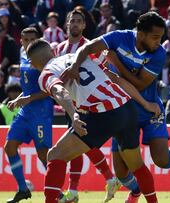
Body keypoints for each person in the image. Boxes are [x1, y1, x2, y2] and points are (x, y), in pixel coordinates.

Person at [62, 11, 170, 203]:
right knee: (121, 173)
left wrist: (116, 62)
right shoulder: (119, 37)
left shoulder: (159, 53)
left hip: (149, 109)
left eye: (160, 37)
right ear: (141, 33)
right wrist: (75, 66)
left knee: (161, 160)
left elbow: (139, 84)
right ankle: (136, 191)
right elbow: (86, 48)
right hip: (121, 110)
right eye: (155, 37)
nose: (158, 42)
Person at [26, 39, 161, 203]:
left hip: (103, 113)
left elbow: (59, 91)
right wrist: (145, 103)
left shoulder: (46, 74)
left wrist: (73, 114)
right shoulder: (77, 56)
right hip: (127, 107)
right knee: (137, 166)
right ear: (52, 51)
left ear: (32, 64)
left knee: (55, 155)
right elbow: (115, 78)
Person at [55, 10, 121, 203]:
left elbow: (104, 70)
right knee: (81, 143)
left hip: (89, 103)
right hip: (70, 102)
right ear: (67, 25)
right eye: (71, 21)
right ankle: (108, 178)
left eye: (78, 21)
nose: (74, 24)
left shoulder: (92, 47)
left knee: (79, 142)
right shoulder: (59, 48)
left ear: (84, 26)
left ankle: (75, 190)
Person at [4, 27, 54, 203]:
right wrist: (18, 99)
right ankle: (22, 189)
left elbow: (51, 88)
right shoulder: (22, 54)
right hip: (26, 111)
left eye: (32, 39)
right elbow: (28, 86)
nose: (28, 43)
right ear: (21, 41)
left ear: (38, 40)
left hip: (41, 112)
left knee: (43, 156)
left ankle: (58, 194)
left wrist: (27, 99)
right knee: (9, 147)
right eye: (25, 40)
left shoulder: (45, 57)